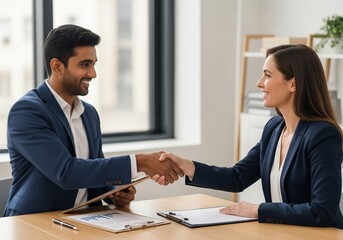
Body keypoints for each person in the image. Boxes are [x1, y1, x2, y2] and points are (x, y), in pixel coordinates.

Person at [155, 44, 343, 229]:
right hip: (284, 233)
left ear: (293, 84)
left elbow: (322, 211)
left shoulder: (323, 135)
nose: (259, 83)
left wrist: (258, 210)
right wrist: (187, 166)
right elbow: (237, 177)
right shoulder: (274, 128)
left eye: (268, 75)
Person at [4, 24, 183, 216]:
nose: (93, 73)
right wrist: (139, 162)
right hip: (34, 222)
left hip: (83, 220)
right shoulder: (27, 111)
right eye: (84, 64)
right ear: (57, 66)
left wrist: (113, 192)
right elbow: (67, 173)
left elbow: (92, 176)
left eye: (93, 64)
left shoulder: (88, 113)